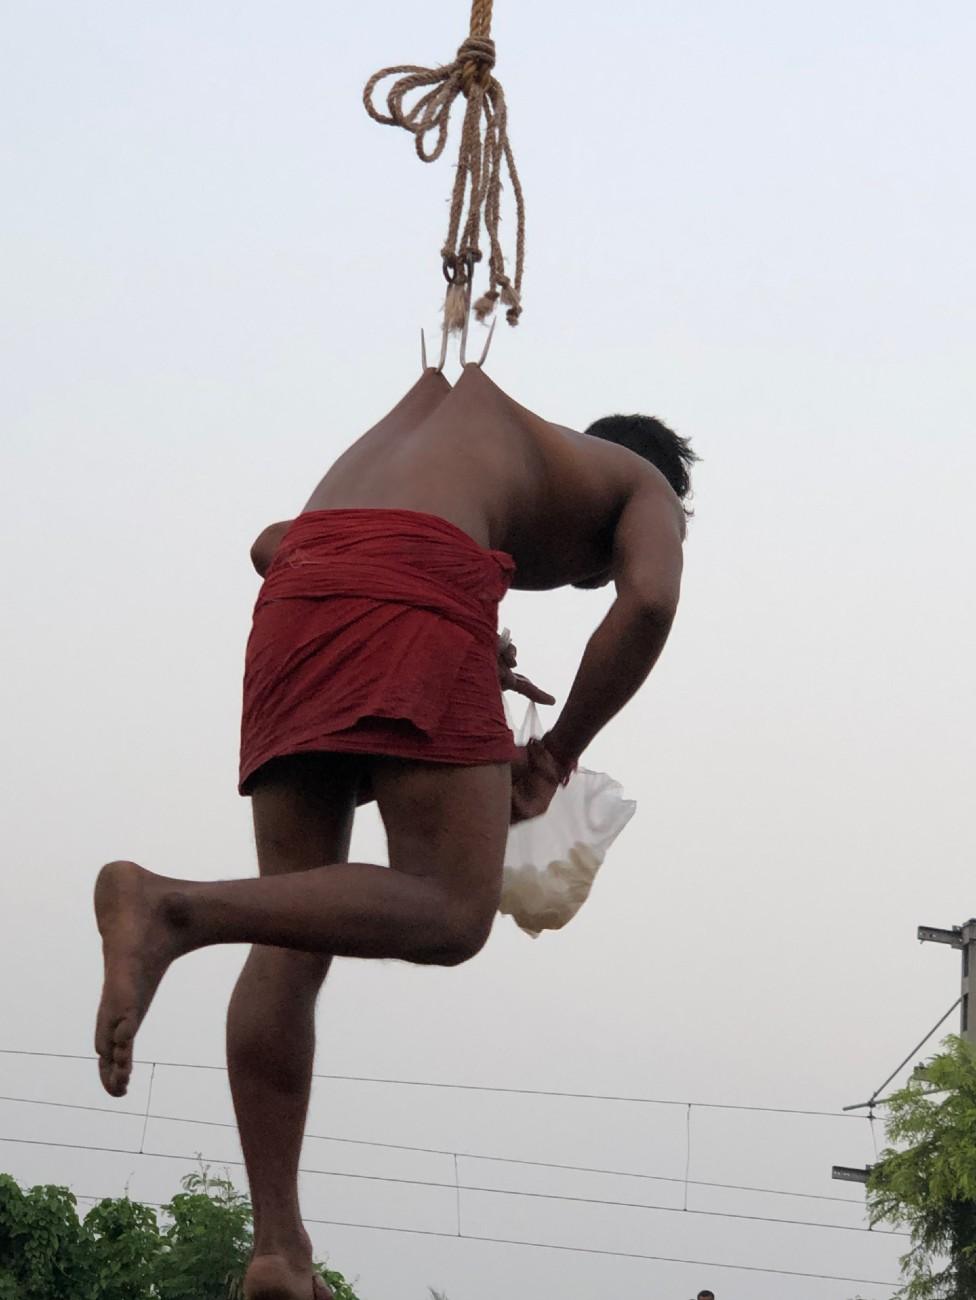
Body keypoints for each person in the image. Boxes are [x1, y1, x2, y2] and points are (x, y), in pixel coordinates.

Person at [93, 361, 697, 1300]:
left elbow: (270, 544)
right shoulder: (642, 482)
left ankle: (278, 1252)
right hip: (413, 579)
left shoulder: (455, 431)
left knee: (296, 932)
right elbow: (651, 601)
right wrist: (554, 754)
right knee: (453, 914)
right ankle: (174, 908)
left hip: (299, 590)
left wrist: (467, 637)